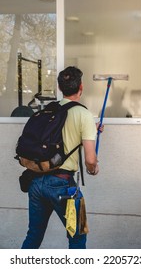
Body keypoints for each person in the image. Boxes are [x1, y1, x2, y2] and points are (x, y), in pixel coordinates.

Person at [21, 66, 102, 249]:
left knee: (33, 235)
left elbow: (59, 137)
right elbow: (90, 160)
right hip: (63, 186)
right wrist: (93, 169)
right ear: (81, 87)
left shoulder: (51, 109)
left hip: (36, 182)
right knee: (77, 236)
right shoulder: (84, 114)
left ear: (59, 88)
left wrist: (89, 131)